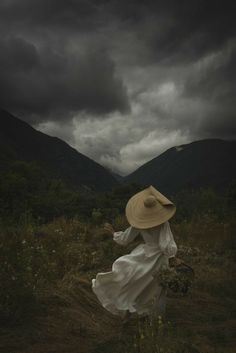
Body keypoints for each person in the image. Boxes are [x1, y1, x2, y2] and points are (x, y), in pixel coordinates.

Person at [91, 185, 178, 320]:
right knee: (156, 287)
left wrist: (113, 232)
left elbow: (125, 239)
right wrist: (172, 256)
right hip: (159, 258)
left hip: (144, 254)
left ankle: (132, 309)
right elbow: (165, 245)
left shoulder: (139, 222)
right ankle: (153, 316)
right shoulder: (163, 223)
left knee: (137, 282)